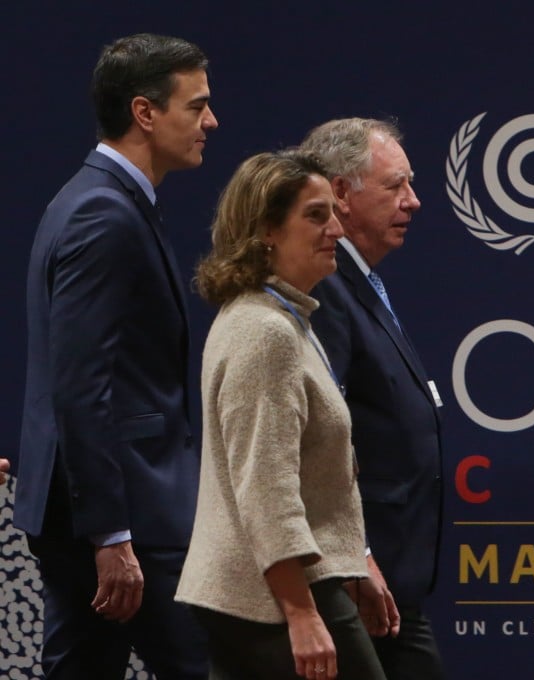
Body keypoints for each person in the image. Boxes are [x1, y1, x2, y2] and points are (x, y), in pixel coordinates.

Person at [15, 33, 217, 679]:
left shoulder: (97, 200)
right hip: (124, 514)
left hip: (97, 509)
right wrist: (112, 535)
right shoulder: (103, 212)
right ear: (145, 112)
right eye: (198, 106)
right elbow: (80, 385)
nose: (212, 121)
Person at [175, 150, 386, 680]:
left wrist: (352, 563)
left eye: (334, 214)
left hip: (273, 589)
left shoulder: (282, 318)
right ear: (266, 229)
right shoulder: (264, 332)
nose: (335, 229)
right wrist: (301, 614)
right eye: (315, 216)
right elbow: (265, 486)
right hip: (270, 598)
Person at [300, 118, 445, 679]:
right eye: (396, 186)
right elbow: (321, 434)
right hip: (357, 575)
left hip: (387, 578)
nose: (414, 200)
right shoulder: (328, 291)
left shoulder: (363, 284)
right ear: (341, 192)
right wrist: (355, 551)